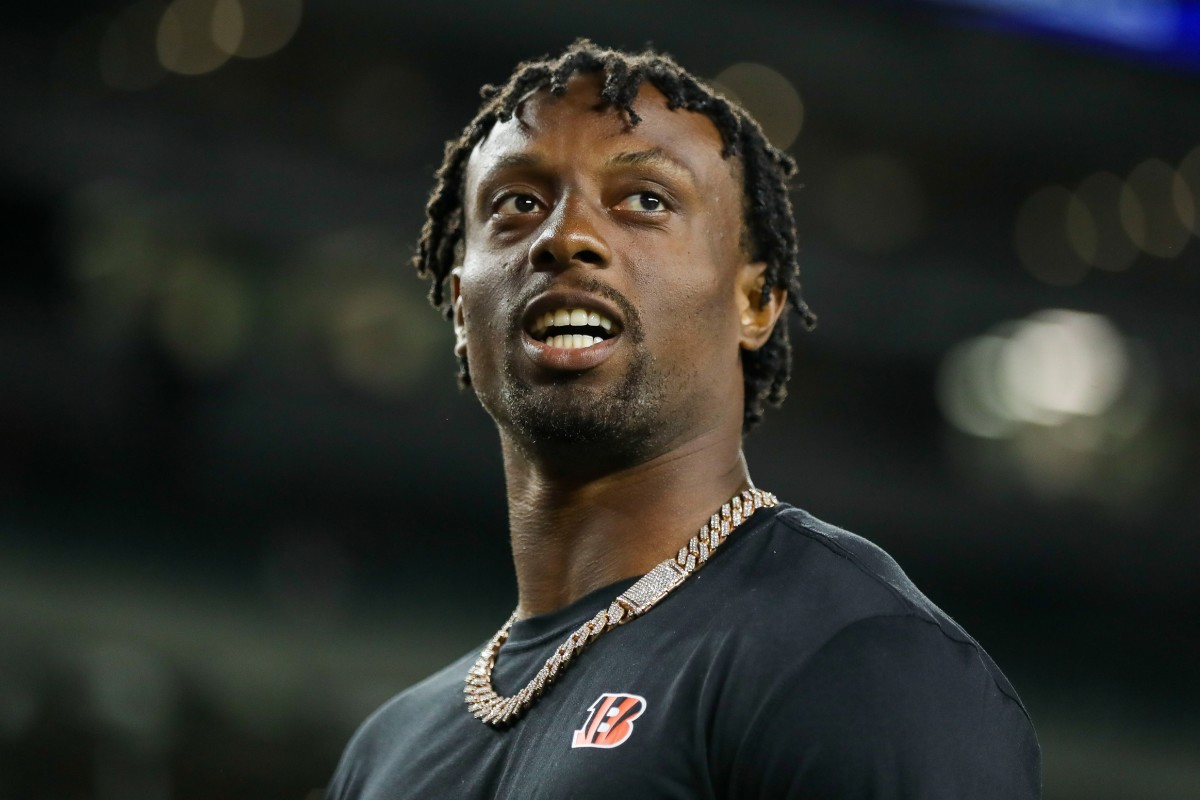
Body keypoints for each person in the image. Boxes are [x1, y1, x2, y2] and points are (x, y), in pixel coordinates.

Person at [327, 40, 1040, 799]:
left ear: (755, 300)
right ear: (463, 306)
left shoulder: (853, 654)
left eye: (645, 201)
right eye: (518, 204)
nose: (565, 237)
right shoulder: (385, 755)